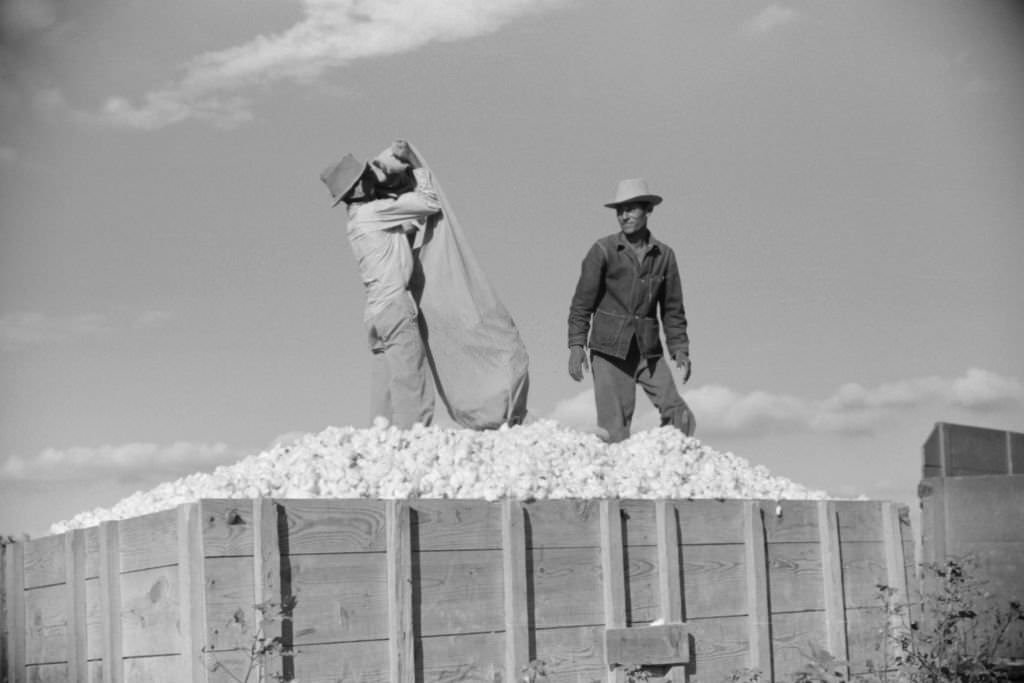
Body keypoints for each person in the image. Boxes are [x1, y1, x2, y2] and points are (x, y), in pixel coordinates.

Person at [320, 140, 441, 429]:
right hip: (394, 308)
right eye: (365, 178)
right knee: (411, 379)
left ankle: (381, 436)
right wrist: (414, 162)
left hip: (374, 313)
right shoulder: (374, 212)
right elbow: (429, 203)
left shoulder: (359, 219)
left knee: (385, 382)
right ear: (359, 188)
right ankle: (414, 438)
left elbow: (407, 227)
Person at [567, 178, 695, 443]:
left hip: (647, 351)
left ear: (647, 210)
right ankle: (617, 481)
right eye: (619, 211)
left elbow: (672, 310)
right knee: (615, 432)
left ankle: (668, 469)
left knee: (679, 415)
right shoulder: (603, 250)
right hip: (609, 350)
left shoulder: (665, 256)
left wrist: (679, 348)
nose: (624, 216)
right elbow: (582, 303)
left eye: (631, 209)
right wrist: (577, 345)